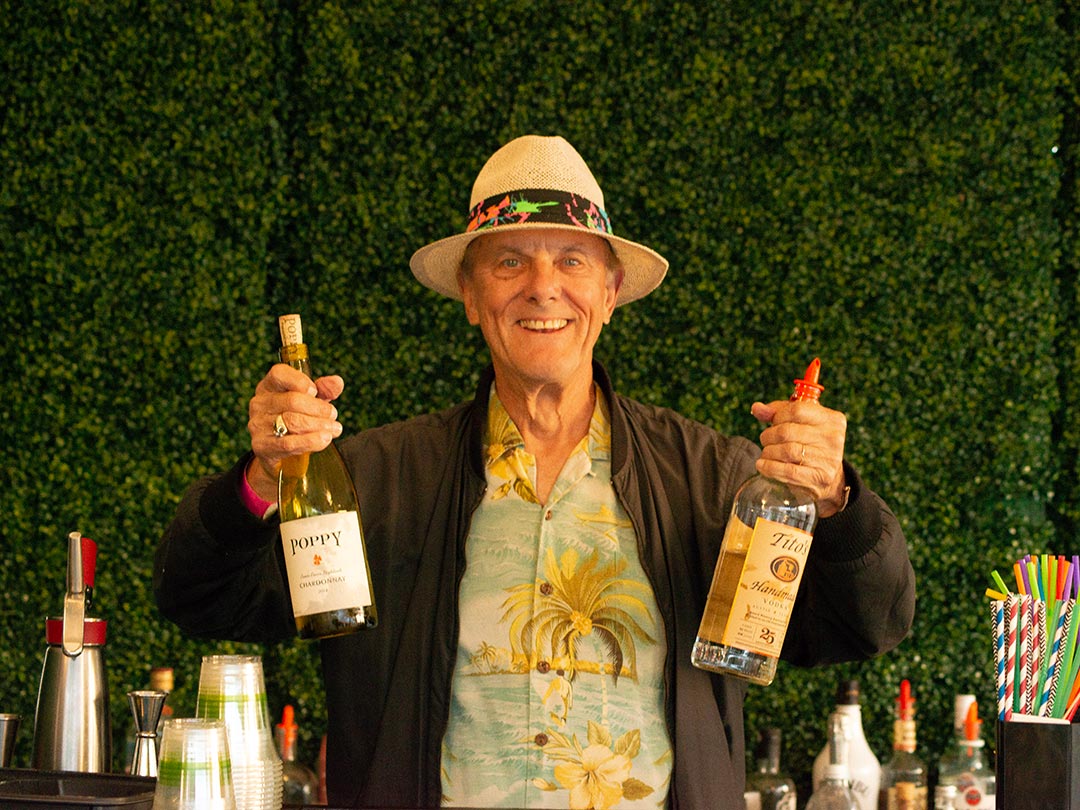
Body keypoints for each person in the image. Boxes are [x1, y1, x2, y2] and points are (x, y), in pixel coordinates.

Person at [155, 135, 915, 808]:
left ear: (610, 293)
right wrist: (261, 477)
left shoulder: (715, 479)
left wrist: (838, 503)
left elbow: (861, 624)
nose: (542, 286)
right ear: (470, 294)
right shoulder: (376, 478)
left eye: (572, 261)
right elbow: (204, 601)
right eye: (510, 261)